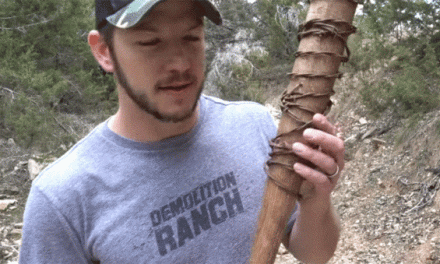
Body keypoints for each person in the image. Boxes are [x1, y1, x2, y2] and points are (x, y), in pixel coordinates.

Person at [19, 0, 345, 263]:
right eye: (150, 41)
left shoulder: (254, 125)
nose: (179, 63)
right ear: (104, 50)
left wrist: (316, 200)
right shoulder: (63, 199)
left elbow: (314, 253)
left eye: (191, 37)